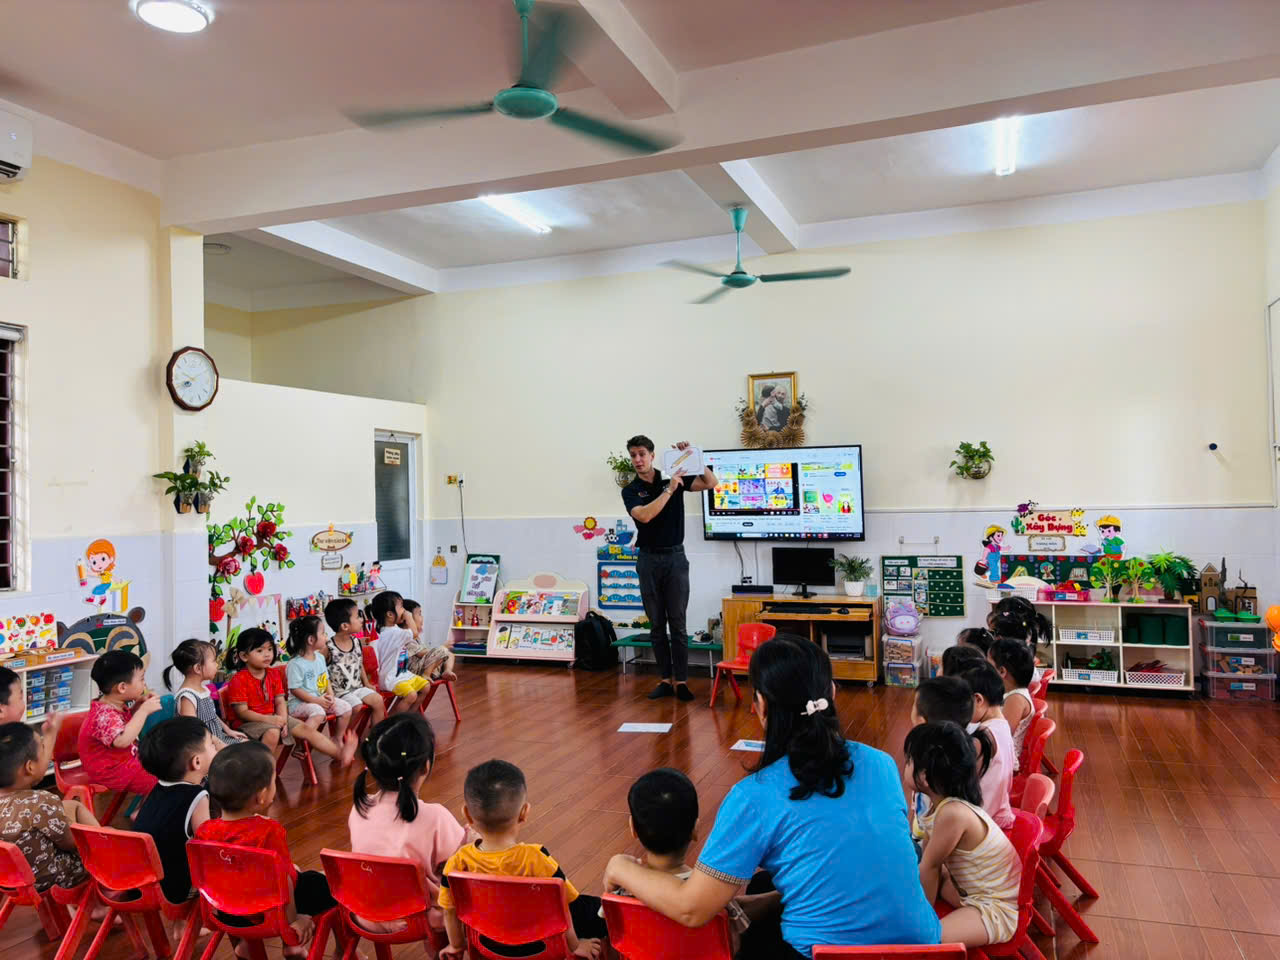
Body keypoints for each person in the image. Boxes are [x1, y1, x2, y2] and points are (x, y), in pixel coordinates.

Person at [604, 635, 940, 958]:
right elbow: (855, 863)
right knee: (762, 884)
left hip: (824, 955)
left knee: (742, 933)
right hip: (922, 951)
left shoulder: (755, 796)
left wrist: (620, 867)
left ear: (761, 706)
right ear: (832, 693)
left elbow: (691, 909)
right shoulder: (882, 764)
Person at [438, 759, 605, 959]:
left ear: (467, 814)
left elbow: (448, 910)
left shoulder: (456, 863)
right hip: (539, 944)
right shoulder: (537, 857)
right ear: (525, 812)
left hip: (488, 943)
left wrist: (456, 946)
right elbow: (565, 906)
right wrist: (575, 946)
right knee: (600, 909)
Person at [195, 742, 336, 957]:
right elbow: (285, 882)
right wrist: (292, 923)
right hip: (270, 911)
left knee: (287, 872)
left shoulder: (205, 831)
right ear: (261, 796)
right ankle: (294, 945)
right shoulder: (268, 831)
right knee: (328, 883)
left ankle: (245, 941)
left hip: (227, 911)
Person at [904, 722, 1021, 947]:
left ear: (925, 776)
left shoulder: (952, 813)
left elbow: (929, 866)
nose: (905, 766)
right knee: (925, 875)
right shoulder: (940, 804)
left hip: (995, 907)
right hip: (969, 890)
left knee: (928, 940)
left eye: (909, 761)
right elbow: (929, 860)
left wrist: (921, 920)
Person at [348, 713, 466, 935]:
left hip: (365, 914)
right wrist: (470, 839)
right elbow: (461, 865)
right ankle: (446, 949)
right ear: (426, 766)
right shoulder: (435, 816)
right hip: (418, 919)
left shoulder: (359, 808)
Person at [620, 435, 718, 701]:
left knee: (678, 622)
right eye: (633, 455)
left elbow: (711, 483)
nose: (638, 460)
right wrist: (669, 491)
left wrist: (695, 457)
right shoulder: (631, 490)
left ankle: (681, 682)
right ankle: (665, 680)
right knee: (656, 624)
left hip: (675, 558)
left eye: (642, 454)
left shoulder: (673, 475)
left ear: (652, 456)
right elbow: (645, 515)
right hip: (648, 560)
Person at [603, 769, 750, 940]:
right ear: (695, 830)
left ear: (633, 829)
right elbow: (734, 941)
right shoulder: (709, 896)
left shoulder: (620, 894)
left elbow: (615, 939)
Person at [224, 628, 358, 766]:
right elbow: (242, 712)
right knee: (272, 732)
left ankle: (340, 755)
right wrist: (271, 720)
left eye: (270, 649)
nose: (267, 654)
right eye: (260, 651)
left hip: (274, 717)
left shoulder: (273, 674)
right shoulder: (238, 680)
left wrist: (282, 719)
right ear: (244, 656)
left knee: (307, 730)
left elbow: (280, 701)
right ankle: (265, 772)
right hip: (249, 723)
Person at [0, 720, 97, 893]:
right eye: (43, 748)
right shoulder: (41, 802)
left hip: (8, 881)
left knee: (72, 806)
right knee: (91, 841)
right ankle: (105, 855)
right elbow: (72, 843)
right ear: (30, 767)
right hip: (50, 880)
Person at [134, 717, 217, 904]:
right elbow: (207, 846)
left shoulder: (158, 787)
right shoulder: (197, 796)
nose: (215, 748)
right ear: (196, 762)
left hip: (146, 882)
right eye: (211, 745)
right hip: (177, 888)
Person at [79, 650, 162, 805]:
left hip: (124, 763)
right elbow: (122, 740)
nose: (144, 684)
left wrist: (138, 706)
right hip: (112, 771)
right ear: (122, 687)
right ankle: (145, 812)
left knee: (165, 766)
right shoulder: (103, 714)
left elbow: (124, 725)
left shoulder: (112, 705)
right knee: (162, 779)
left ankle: (143, 810)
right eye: (141, 679)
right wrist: (143, 711)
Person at [958, 664, 1015, 830]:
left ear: (978, 700)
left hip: (985, 820)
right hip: (1000, 811)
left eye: (964, 703)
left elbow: (963, 782)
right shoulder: (1002, 724)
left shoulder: (983, 737)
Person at [284, 616, 354, 748]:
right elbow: (295, 690)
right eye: (323, 633)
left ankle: (337, 739)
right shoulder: (295, 664)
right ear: (311, 640)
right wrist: (316, 701)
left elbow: (325, 679)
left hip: (320, 700)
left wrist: (330, 695)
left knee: (346, 708)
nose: (326, 637)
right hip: (298, 705)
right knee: (318, 712)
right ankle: (301, 745)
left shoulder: (320, 658)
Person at [165, 638, 243, 747]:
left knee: (248, 744)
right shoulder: (187, 697)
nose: (217, 665)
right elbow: (194, 731)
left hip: (218, 737)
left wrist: (228, 730)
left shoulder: (203, 689)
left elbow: (212, 715)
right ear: (198, 668)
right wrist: (219, 744)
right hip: (204, 746)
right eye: (214, 661)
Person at [324, 598, 386, 729]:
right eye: (357, 616)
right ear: (345, 626)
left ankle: (375, 736)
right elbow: (321, 672)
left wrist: (366, 683)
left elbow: (359, 663)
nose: (362, 619)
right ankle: (345, 734)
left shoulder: (357, 642)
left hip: (357, 688)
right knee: (356, 705)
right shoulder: (328, 647)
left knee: (378, 700)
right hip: (340, 693)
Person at [369, 591, 427, 712]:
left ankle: (410, 715)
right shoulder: (392, 633)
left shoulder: (393, 629)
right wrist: (409, 617)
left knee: (425, 686)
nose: (404, 610)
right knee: (411, 695)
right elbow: (415, 633)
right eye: (401, 607)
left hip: (402, 673)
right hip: (391, 678)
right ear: (390, 614)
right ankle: (397, 719)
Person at [987, 638, 1036, 767]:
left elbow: (1002, 736)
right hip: (1000, 754)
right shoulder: (1011, 693)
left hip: (1004, 761)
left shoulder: (1016, 699)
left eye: (988, 665)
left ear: (1002, 671)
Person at [401, 598, 457, 681]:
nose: (422, 617)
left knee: (449, 654)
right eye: (419, 614)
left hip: (423, 666)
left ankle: (447, 671)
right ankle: (426, 675)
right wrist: (441, 648)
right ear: (409, 619)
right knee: (442, 650)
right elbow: (422, 654)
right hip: (414, 672)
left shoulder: (416, 637)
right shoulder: (405, 637)